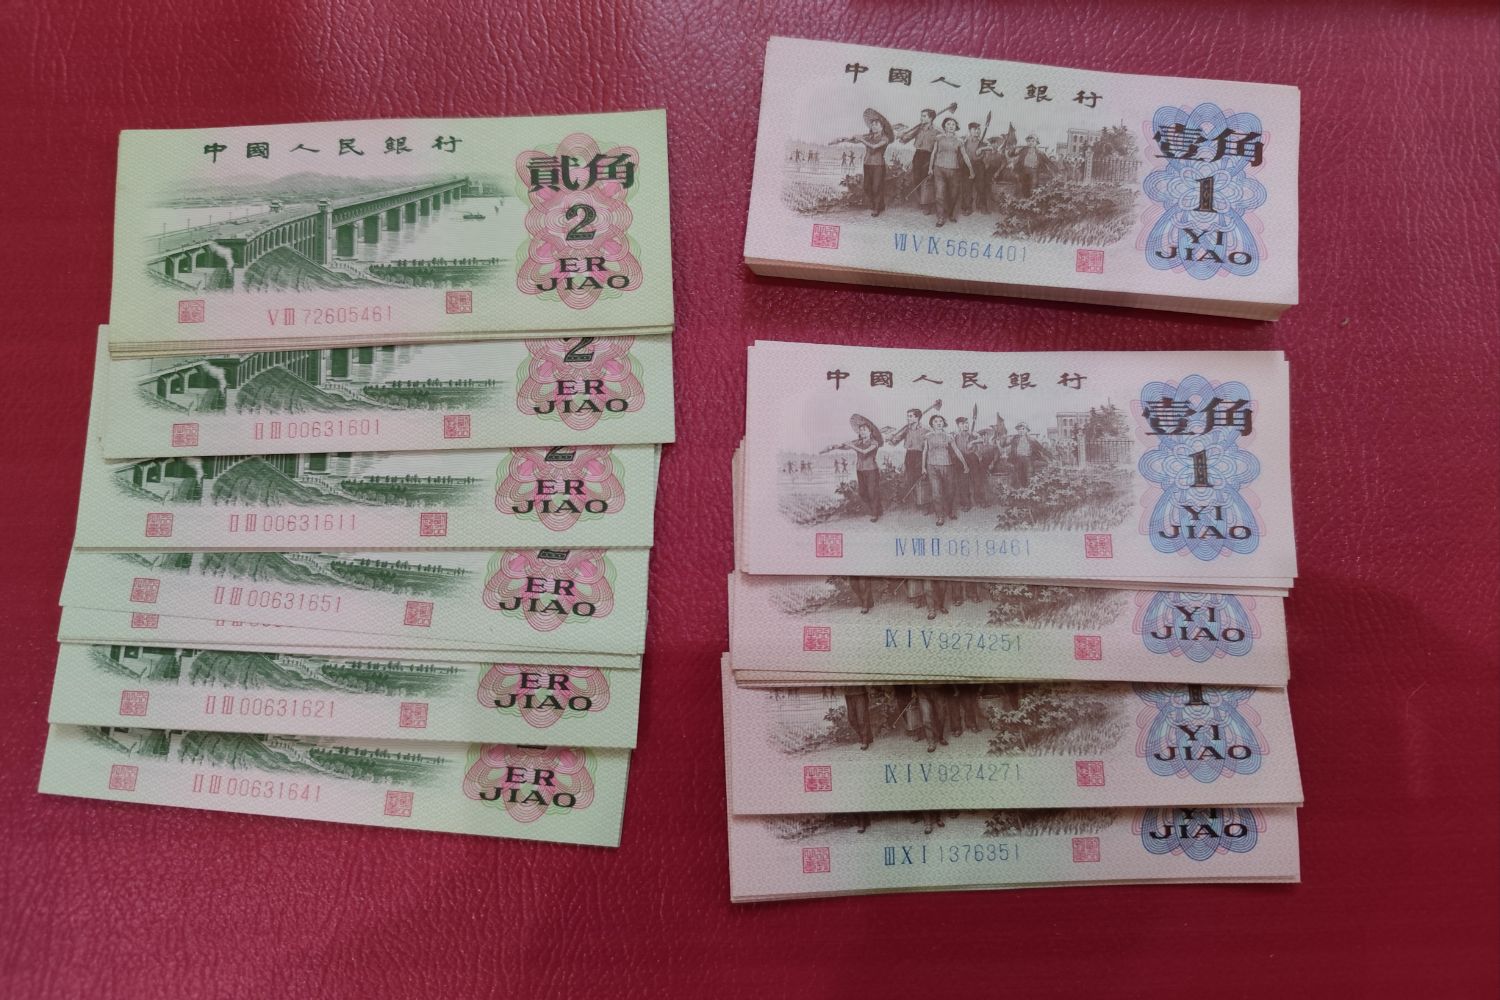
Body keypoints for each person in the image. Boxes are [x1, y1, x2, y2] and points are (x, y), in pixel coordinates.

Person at [922, 413, 969, 527]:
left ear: (943, 423)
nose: (938, 423)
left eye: (940, 421)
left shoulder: (949, 436)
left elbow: (956, 450)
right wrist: (923, 467)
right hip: (932, 466)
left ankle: (950, 512)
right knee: (936, 492)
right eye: (935, 421)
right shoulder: (928, 436)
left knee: (950, 491)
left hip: (947, 466)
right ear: (932, 424)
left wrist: (965, 464)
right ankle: (940, 516)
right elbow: (925, 451)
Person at [927, 118, 973, 227]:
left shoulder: (959, 141)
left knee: (953, 194)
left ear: (956, 127)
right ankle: (940, 218)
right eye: (948, 124)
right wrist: (930, 168)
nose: (951, 126)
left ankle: (951, 213)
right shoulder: (939, 138)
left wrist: (971, 170)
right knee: (939, 195)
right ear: (944, 126)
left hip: (954, 171)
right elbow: (934, 153)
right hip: (939, 169)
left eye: (953, 124)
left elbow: (965, 156)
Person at [898, 109, 939, 215]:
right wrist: (901, 135)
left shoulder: (937, 131)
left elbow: (942, 144)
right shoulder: (918, 129)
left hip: (929, 156)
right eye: (921, 116)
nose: (921, 118)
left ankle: (927, 205)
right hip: (918, 155)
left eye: (924, 116)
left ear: (931, 118)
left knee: (926, 181)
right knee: (916, 179)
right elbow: (904, 139)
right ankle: (922, 201)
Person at [888, 408, 929, 512]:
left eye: (910, 416)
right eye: (908, 416)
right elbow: (894, 442)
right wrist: (890, 438)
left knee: (921, 479)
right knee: (909, 478)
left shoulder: (925, 429)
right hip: (909, 455)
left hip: (921, 455)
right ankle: (914, 502)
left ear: (917, 417)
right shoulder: (907, 429)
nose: (908, 418)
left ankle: (924, 504)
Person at [855, 120, 890, 217]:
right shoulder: (869, 137)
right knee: (866, 187)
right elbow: (855, 140)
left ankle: (876, 208)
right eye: (872, 124)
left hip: (878, 165)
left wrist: (861, 140)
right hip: (867, 163)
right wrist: (844, 139)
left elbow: (874, 147)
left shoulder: (885, 138)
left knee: (876, 187)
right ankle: (880, 204)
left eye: (876, 124)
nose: (873, 126)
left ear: (882, 127)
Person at [850, 422, 883, 522]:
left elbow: (865, 452)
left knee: (872, 492)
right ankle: (878, 508)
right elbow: (845, 446)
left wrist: (852, 446)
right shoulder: (858, 442)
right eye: (860, 430)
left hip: (871, 470)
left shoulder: (874, 442)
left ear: (870, 432)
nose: (862, 432)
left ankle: (874, 514)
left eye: (864, 430)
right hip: (860, 470)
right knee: (862, 492)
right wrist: (834, 447)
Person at [1007, 422, 1050, 489]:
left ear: (1027, 430)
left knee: (1029, 473)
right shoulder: (1014, 439)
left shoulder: (1031, 439)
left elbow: (1041, 449)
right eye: (1019, 429)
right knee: (1018, 474)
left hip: (1028, 459)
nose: (1021, 431)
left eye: (1023, 429)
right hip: (1017, 459)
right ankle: (1019, 490)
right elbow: (1004, 444)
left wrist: (1050, 456)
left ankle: (1029, 489)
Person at [960, 122, 989, 214]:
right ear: (970, 130)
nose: (977, 131)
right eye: (974, 129)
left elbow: (992, 148)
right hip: (967, 166)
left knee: (981, 187)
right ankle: (967, 207)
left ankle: (982, 206)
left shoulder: (983, 142)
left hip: (979, 166)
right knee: (967, 187)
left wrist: (982, 149)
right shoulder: (965, 141)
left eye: (978, 129)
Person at [1014, 133, 1049, 199]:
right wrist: (1012, 149)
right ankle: (1024, 200)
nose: (1031, 143)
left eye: (1033, 141)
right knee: (1023, 187)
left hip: (1034, 172)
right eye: (1029, 141)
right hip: (1024, 171)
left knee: (1033, 186)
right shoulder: (1023, 150)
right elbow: (1013, 155)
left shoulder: (1040, 153)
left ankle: (1032, 200)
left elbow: (1048, 162)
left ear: (1036, 143)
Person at [844, 685, 873, 749]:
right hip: (848, 694)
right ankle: (867, 737)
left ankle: (865, 740)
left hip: (860, 693)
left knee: (861, 718)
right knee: (851, 719)